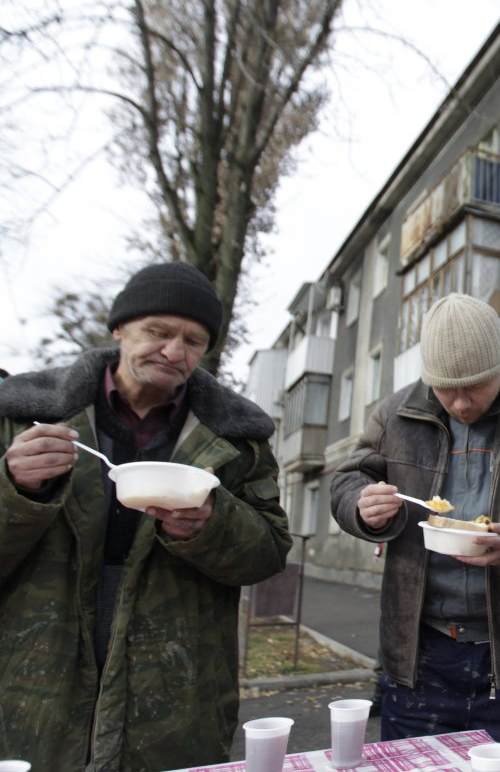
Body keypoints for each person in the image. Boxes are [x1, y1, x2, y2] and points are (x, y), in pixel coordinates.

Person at [0, 261, 291, 771]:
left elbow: (269, 552)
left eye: (193, 341)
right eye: (157, 331)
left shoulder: (237, 437)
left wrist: (211, 524)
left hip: (174, 696)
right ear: (119, 329)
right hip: (35, 682)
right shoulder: (24, 414)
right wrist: (16, 488)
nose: (175, 352)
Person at [330, 293, 500, 771]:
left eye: (473, 387)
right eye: (443, 388)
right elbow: (349, 478)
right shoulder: (394, 413)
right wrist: (361, 504)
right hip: (420, 651)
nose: (459, 403)